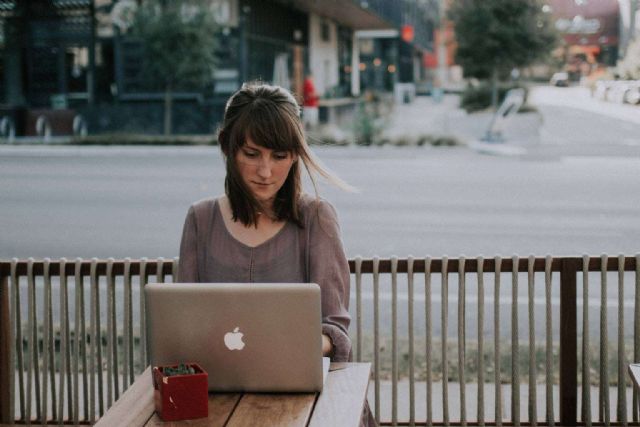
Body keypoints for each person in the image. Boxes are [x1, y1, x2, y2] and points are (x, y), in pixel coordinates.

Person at [177, 82, 376, 426]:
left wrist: (295, 346)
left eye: (279, 156)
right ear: (227, 147)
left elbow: (336, 331)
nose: (265, 172)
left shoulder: (317, 218)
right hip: (219, 402)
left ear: (295, 155)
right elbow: (181, 325)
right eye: (251, 154)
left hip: (305, 404)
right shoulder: (201, 219)